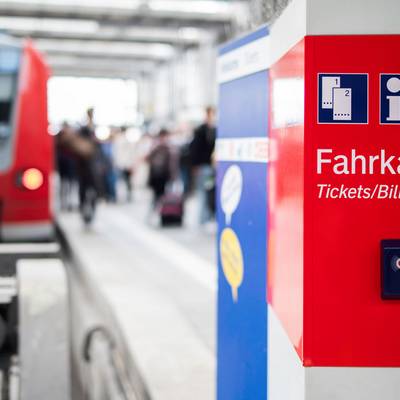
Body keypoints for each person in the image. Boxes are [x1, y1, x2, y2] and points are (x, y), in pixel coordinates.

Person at [189, 106, 216, 224]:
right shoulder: (201, 130)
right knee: (204, 192)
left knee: (207, 192)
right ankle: (202, 219)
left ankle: (205, 218)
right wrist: (196, 166)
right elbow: (195, 149)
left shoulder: (212, 129)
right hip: (204, 167)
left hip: (209, 167)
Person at [147, 129, 172, 207]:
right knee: (157, 193)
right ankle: (157, 207)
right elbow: (148, 157)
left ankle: (161, 208)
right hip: (156, 174)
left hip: (164, 174)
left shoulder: (168, 147)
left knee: (163, 193)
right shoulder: (155, 146)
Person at [55, 122, 77, 211]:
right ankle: (63, 203)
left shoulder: (72, 137)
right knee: (63, 185)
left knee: (71, 185)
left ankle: (70, 202)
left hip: (71, 165)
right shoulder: (59, 137)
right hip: (63, 165)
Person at [113, 126, 136, 202]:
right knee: (124, 181)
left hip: (123, 164)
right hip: (123, 164)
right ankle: (124, 195)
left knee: (124, 181)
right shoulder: (121, 140)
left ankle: (125, 195)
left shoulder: (120, 140)